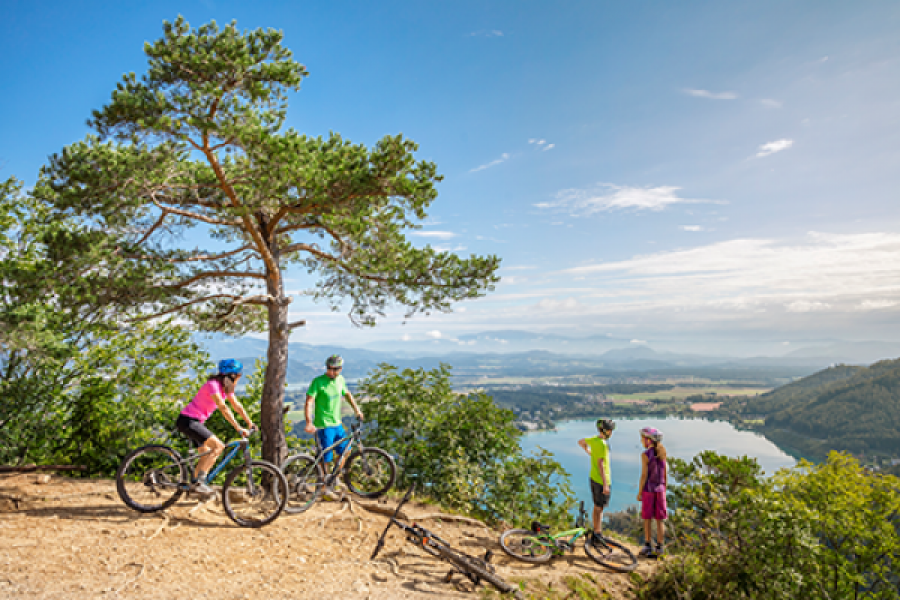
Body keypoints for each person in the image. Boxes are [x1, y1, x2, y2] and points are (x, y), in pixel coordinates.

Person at [175, 359, 255, 495]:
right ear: (231, 375)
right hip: (188, 421)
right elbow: (223, 408)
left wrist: (249, 422)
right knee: (218, 447)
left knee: (204, 454)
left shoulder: (225, 388)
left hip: (196, 422)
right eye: (239, 376)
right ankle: (199, 484)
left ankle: (194, 488)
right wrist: (238, 427)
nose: (239, 379)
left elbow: (236, 406)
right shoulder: (213, 385)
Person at [304, 355, 364, 488]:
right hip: (324, 426)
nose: (331, 372)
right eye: (329, 369)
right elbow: (309, 402)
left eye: (335, 369)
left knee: (346, 451)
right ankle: (323, 486)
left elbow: (347, 394)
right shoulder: (318, 382)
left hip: (337, 424)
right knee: (325, 459)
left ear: (340, 369)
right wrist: (309, 422)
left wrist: (357, 410)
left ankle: (334, 478)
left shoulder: (340, 380)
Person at [577, 418, 615, 544]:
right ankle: (598, 534)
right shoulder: (603, 445)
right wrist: (605, 485)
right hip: (601, 480)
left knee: (597, 507)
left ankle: (597, 532)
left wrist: (589, 452)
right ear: (606, 431)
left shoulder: (594, 439)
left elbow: (581, 442)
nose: (611, 433)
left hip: (593, 478)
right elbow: (601, 465)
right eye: (610, 430)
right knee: (600, 508)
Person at [636, 426, 668, 558]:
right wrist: (664, 487)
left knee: (647, 519)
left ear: (648, 440)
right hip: (660, 490)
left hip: (648, 490)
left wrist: (639, 492)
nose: (641, 440)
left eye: (642, 438)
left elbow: (644, 475)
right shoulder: (662, 453)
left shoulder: (645, 455)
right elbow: (665, 473)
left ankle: (648, 545)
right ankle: (660, 547)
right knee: (660, 520)